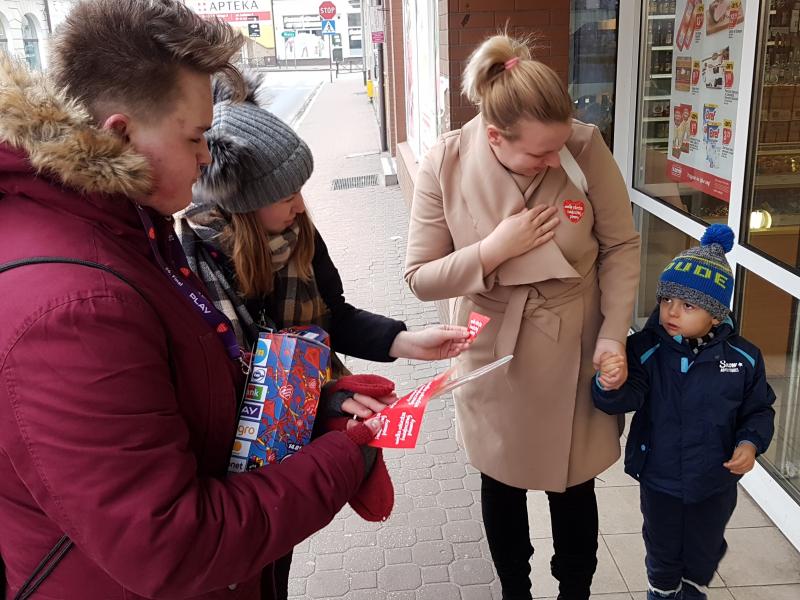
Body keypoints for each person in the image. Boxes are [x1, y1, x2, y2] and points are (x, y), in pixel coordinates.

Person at [0, 2, 387, 598]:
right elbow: (176, 545)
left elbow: (187, 396)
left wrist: (312, 408)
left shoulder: (130, 228)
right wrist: (341, 456)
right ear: (120, 134)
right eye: (196, 136)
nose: (209, 157)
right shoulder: (76, 306)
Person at [176, 74, 472, 599]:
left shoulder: (299, 234)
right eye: (287, 194)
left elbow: (334, 315)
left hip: (288, 440)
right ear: (245, 204)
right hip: (228, 471)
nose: (300, 206)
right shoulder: (190, 262)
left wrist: (406, 340)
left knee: (276, 568)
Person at [404, 34, 641, 600]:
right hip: (493, 346)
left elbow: (622, 246)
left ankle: (575, 592)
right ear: (495, 137)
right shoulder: (447, 161)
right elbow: (419, 277)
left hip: (575, 341)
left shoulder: (583, 147)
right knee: (501, 482)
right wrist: (493, 250)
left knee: (574, 486)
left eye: (557, 147)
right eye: (538, 153)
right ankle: (514, 590)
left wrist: (613, 335)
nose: (552, 159)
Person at [593, 225, 775, 600]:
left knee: (704, 551)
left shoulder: (743, 358)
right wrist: (608, 385)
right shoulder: (646, 349)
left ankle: (692, 583)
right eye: (666, 300)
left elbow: (759, 410)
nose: (672, 311)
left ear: (715, 314)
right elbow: (628, 397)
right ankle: (662, 590)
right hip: (660, 478)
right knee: (662, 550)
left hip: (714, 481)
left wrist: (750, 443)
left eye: (687, 305)